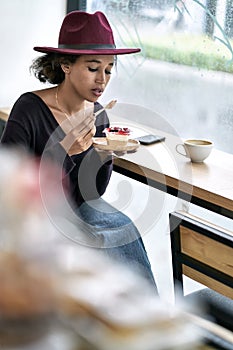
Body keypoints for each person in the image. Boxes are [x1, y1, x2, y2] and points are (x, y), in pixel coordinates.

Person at [0, 11, 157, 289]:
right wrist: (64, 151)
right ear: (66, 65)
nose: (103, 80)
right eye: (93, 68)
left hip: (77, 208)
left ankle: (141, 319)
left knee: (123, 228)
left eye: (109, 69)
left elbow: (90, 195)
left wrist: (102, 155)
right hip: (32, 217)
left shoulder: (98, 116)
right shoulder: (29, 109)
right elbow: (9, 189)